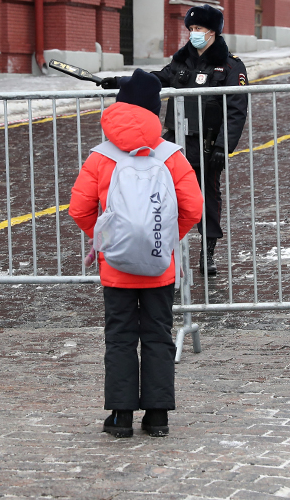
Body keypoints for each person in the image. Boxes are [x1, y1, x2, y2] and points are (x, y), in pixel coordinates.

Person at [70, 69, 203, 438]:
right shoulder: (170, 155)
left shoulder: (101, 157)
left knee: (121, 335)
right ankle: (158, 416)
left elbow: (79, 209)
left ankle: (121, 416)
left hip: (116, 266)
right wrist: (164, 238)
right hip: (160, 265)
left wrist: (109, 241)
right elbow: (193, 207)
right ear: (154, 111)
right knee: (158, 334)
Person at [100, 4, 248, 276]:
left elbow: (237, 111)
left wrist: (223, 146)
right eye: (191, 29)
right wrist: (120, 81)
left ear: (213, 31)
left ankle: (208, 252)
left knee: (207, 199)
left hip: (207, 143)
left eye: (199, 29)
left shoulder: (230, 66)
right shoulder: (181, 61)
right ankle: (163, 248)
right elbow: (154, 80)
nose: (194, 34)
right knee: (164, 196)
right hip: (175, 142)